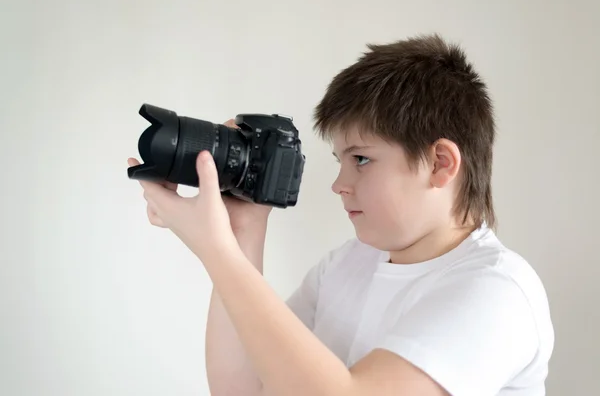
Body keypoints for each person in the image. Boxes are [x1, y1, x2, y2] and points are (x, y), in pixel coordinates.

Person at [128, 33, 554, 396]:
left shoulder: (498, 291)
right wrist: (243, 234)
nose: (338, 185)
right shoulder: (346, 264)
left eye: (362, 159)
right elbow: (243, 388)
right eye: (339, 161)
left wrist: (217, 254)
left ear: (441, 163)